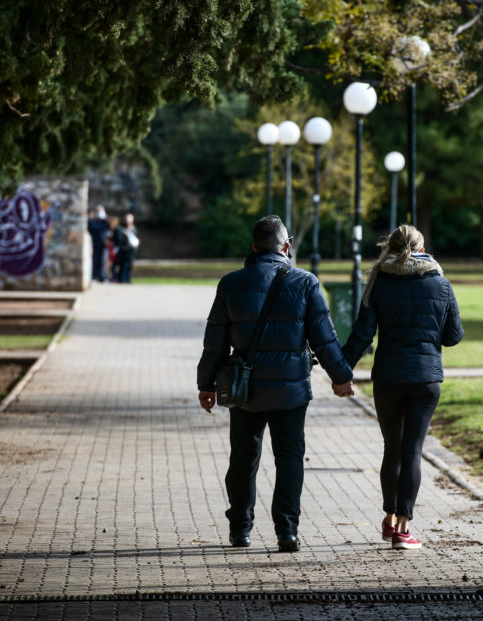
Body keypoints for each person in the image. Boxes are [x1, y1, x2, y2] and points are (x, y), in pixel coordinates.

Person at [197, 215, 355, 552]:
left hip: (245, 389)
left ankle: (240, 530)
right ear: (286, 246)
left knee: (243, 460)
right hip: (291, 390)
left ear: (254, 247)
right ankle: (287, 532)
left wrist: (206, 384)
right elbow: (324, 340)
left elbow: (215, 342)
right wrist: (341, 378)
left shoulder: (231, 283)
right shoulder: (306, 282)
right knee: (290, 459)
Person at [340, 225, 463, 550]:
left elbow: (362, 335)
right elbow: (453, 336)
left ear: (390, 247)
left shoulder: (380, 280)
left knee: (392, 447)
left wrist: (341, 371)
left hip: (388, 377)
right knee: (412, 450)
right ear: (422, 247)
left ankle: (390, 519)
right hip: (425, 379)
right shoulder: (440, 283)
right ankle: (404, 529)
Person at [112, 212, 139, 283]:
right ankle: (122, 279)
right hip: (122, 251)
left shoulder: (134, 229)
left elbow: (136, 239)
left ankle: (127, 279)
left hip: (131, 251)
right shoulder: (119, 229)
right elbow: (117, 240)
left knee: (128, 266)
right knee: (121, 266)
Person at [87, 205, 110, 282]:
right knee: (95, 260)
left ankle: (102, 276)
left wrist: (106, 219)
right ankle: (94, 276)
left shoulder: (105, 222)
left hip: (103, 244)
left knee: (103, 261)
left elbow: (110, 228)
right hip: (95, 244)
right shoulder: (92, 222)